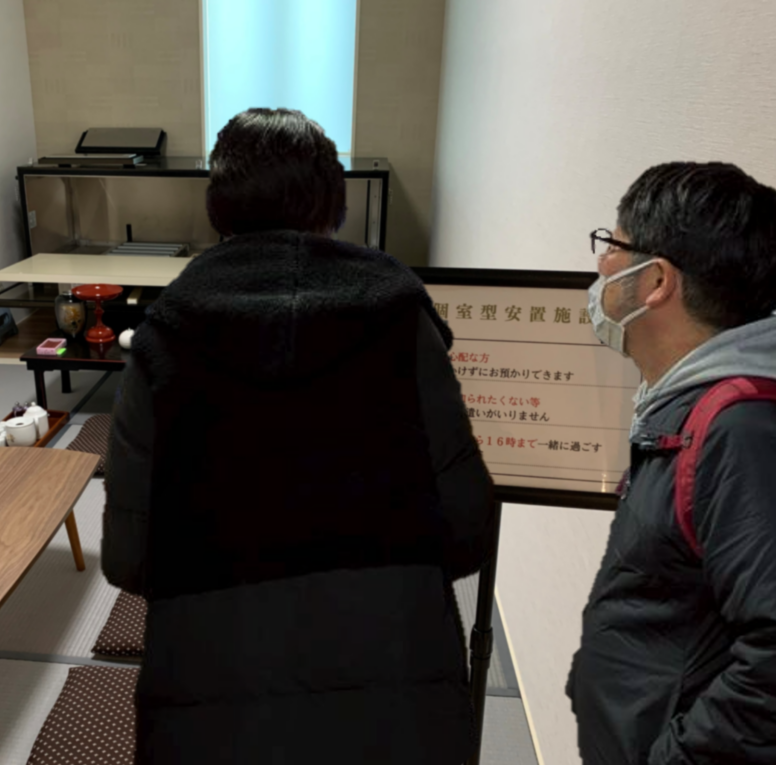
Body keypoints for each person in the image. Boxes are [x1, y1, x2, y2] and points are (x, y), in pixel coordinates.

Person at [101, 108, 495, 765]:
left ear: (219, 206)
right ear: (333, 203)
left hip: (211, 679)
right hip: (394, 674)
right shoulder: (402, 320)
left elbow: (128, 556)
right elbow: (467, 527)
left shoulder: (165, 334)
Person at [568, 162, 776, 764]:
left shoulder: (738, 430)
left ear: (657, 280)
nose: (602, 266)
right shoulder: (693, 406)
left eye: (613, 246)